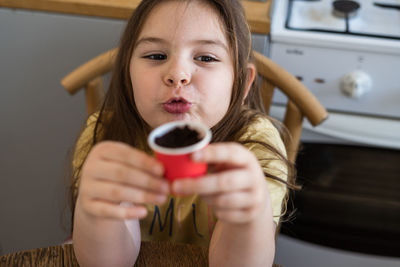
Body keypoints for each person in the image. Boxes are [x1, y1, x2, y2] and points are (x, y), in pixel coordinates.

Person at [70, 0, 296, 266]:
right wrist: (96, 213)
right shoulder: (107, 138)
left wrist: (249, 215)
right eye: (156, 56)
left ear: (241, 82)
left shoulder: (254, 147)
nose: (177, 75)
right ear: (127, 73)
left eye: (206, 58)